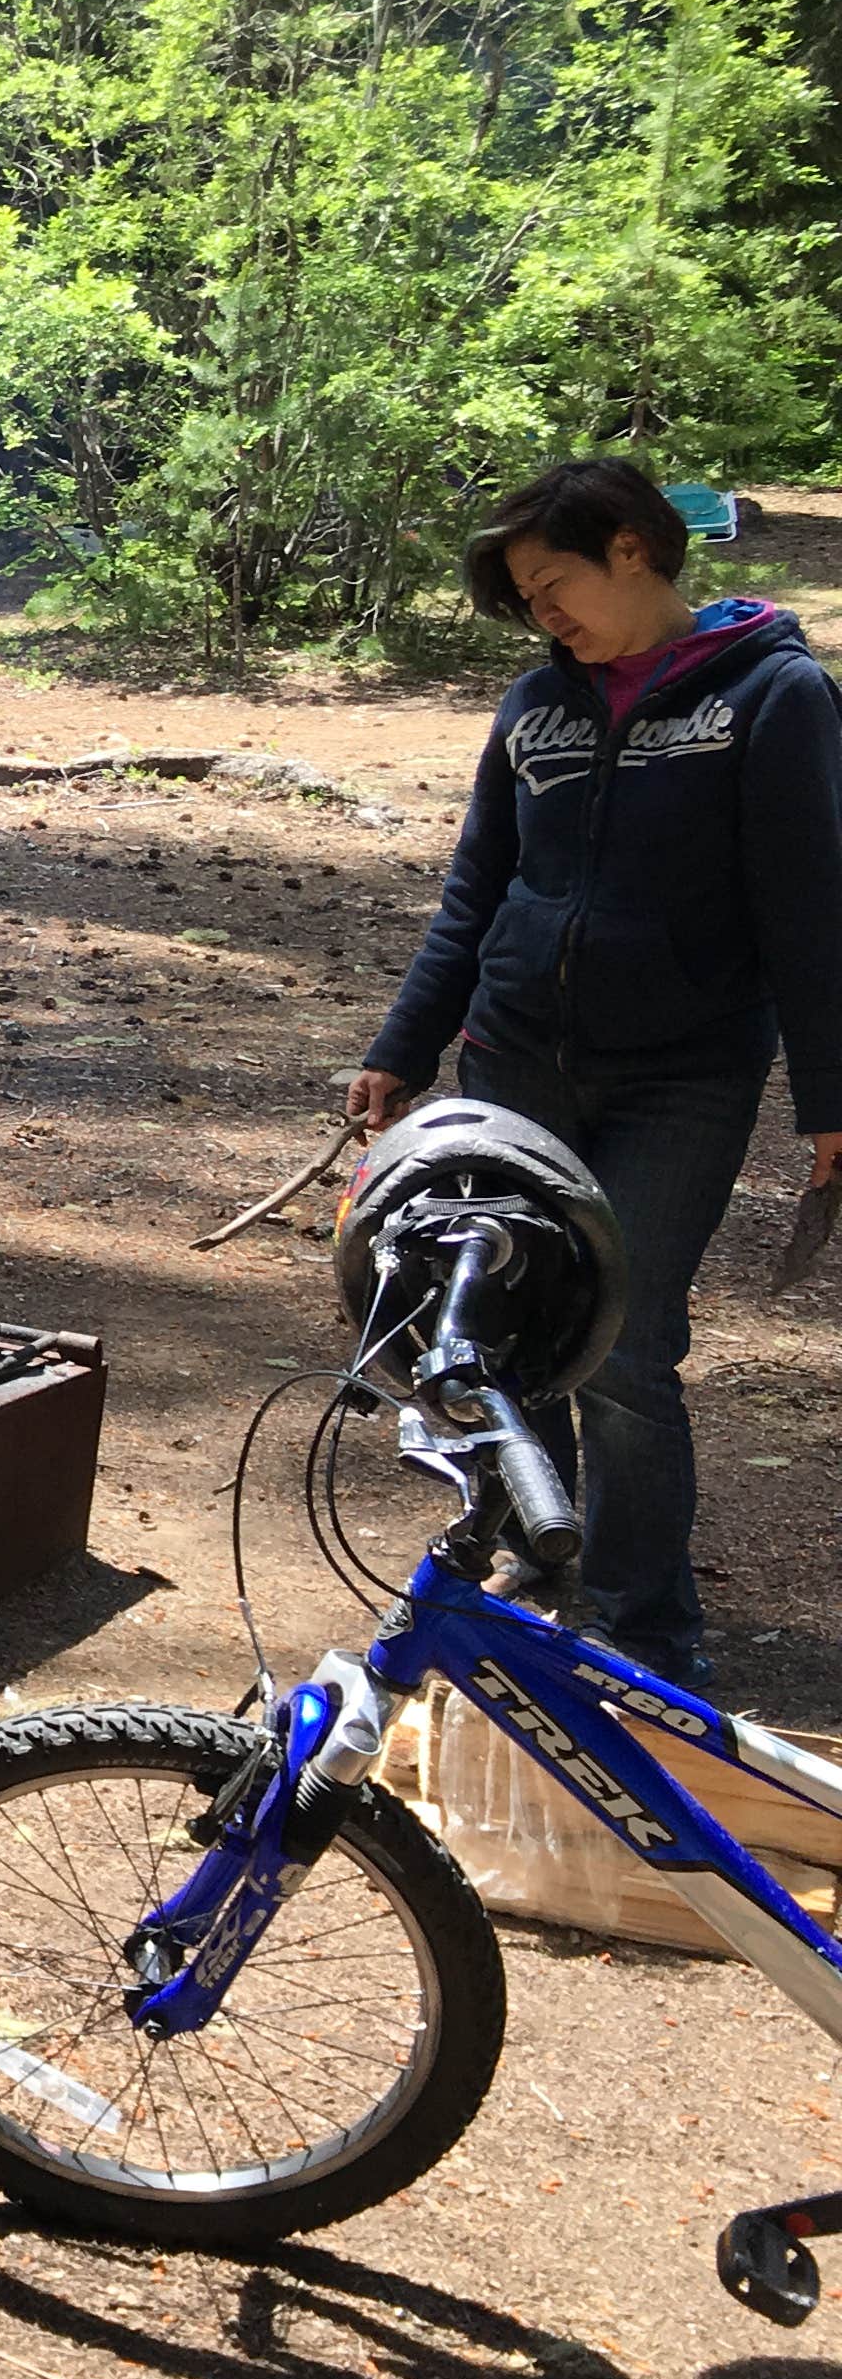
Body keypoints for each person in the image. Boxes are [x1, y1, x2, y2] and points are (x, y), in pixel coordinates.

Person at [350, 458, 842, 1683]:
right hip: (514, 1062)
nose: (542, 615)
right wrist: (404, 1048)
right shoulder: (535, 708)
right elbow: (477, 890)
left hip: (683, 1077)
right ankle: (537, 1553)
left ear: (633, 547)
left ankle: (642, 1627)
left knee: (626, 1346)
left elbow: (812, 908)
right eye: (525, 599)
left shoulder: (773, 695)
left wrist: (836, 1101)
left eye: (552, 582)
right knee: (505, 1325)